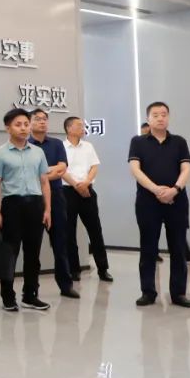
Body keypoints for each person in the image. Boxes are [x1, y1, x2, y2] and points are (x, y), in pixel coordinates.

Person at [129, 102, 190, 308]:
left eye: (164, 114)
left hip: (177, 201)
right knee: (148, 248)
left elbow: (186, 169)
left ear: (168, 117)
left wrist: (175, 189)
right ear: (148, 119)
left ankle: (179, 293)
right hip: (148, 202)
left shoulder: (179, 142)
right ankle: (148, 292)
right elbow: (135, 170)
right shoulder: (138, 142)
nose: (160, 118)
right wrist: (156, 190)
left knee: (178, 248)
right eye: (155, 115)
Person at [0, 108, 52, 312]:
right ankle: (8, 296)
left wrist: (47, 209)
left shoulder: (38, 152)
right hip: (12, 206)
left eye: (26, 124)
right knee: (9, 254)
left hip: (35, 205)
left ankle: (30, 295)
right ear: (8, 128)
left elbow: (44, 182)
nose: (23, 128)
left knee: (33, 254)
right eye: (18, 124)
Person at [28, 109, 78, 299]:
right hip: (33, 197)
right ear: (30, 123)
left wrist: (41, 174)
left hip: (56, 196)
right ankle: (32, 289)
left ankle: (66, 285)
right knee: (33, 245)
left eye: (44, 119)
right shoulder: (26, 145)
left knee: (60, 243)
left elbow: (62, 168)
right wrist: (49, 172)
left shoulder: (56, 144)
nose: (42, 122)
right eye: (37, 119)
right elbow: (29, 172)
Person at [61, 116, 112, 282]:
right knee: (69, 232)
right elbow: (62, 170)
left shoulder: (88, 146)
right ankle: (74, 270)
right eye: (79, 125)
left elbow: (94, 166)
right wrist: (77, 185)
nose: (83, 128)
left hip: (87, 191)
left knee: (95, 230)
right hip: (67, 191)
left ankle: (103, 269)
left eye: (83, 125)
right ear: (69, 128)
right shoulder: (61, 147)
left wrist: (86, 183)